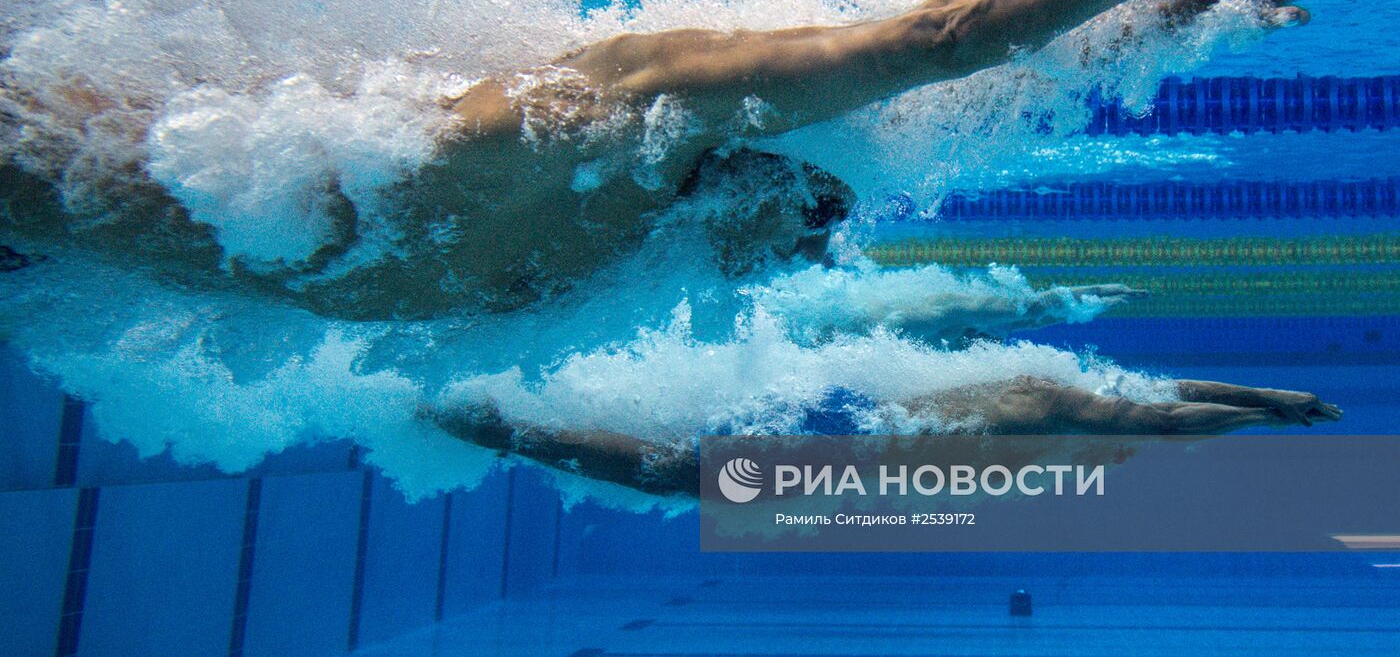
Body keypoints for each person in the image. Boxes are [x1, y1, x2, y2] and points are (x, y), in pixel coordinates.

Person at [303, 0, 1381, 318]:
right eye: (822, 223)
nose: (810, 252)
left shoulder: (617, 242)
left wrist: (1189, 18)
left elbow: (985, 94)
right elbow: (938, 44)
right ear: (767, 171)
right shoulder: (607, 115)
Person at [429, 376, 1344, 497]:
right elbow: (1166, 417)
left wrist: (1264, 397)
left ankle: (504, 417)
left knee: (685, 456)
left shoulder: (1059, 392)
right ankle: (496, 423)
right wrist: (1267, 411)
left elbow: (1163, 401)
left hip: (870, 417)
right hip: (866, 435)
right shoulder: (1079, 415)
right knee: (686, 473)